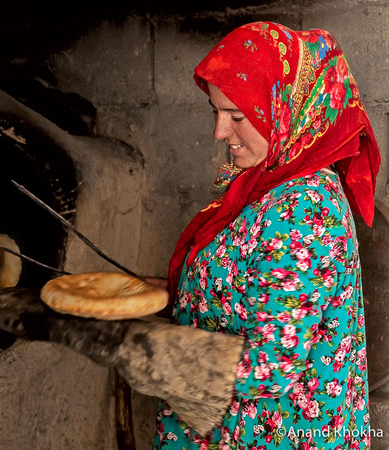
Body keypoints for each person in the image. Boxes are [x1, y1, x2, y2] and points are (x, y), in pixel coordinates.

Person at [154, 21, 380, 449]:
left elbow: (271, 366)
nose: (220, 133)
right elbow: (246, 281)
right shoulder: (270, 182)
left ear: (284, 111)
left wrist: (149, 353)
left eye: (237, 116)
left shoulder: (306, 208)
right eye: (216, 112)